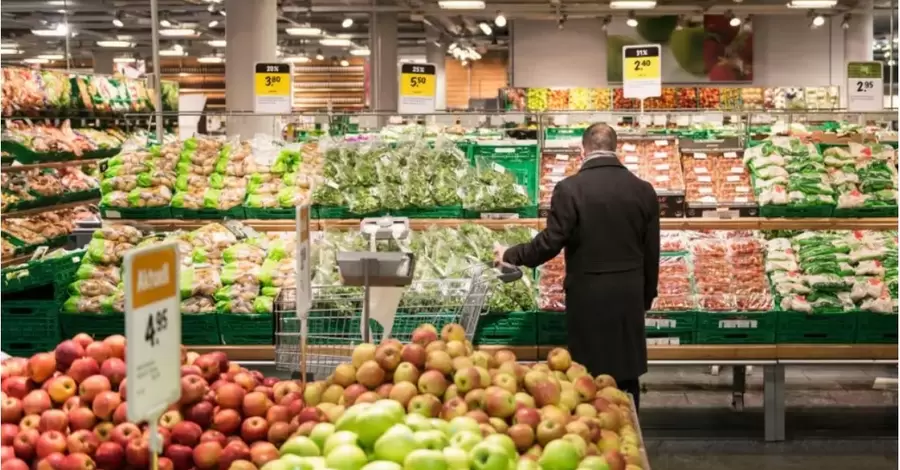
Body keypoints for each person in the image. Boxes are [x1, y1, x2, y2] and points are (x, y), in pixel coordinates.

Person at [494, 123, 660, 410]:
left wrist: (512, 254)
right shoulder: (644, 190)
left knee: (586, 375)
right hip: (628, 294)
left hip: (588, 295)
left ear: (583, 150)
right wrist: (645, 296)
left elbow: (550, 242)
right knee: (626, 371)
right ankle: (630, 431)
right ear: (615, 148)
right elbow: (651, 251)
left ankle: (593, 433)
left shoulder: (569, 189)